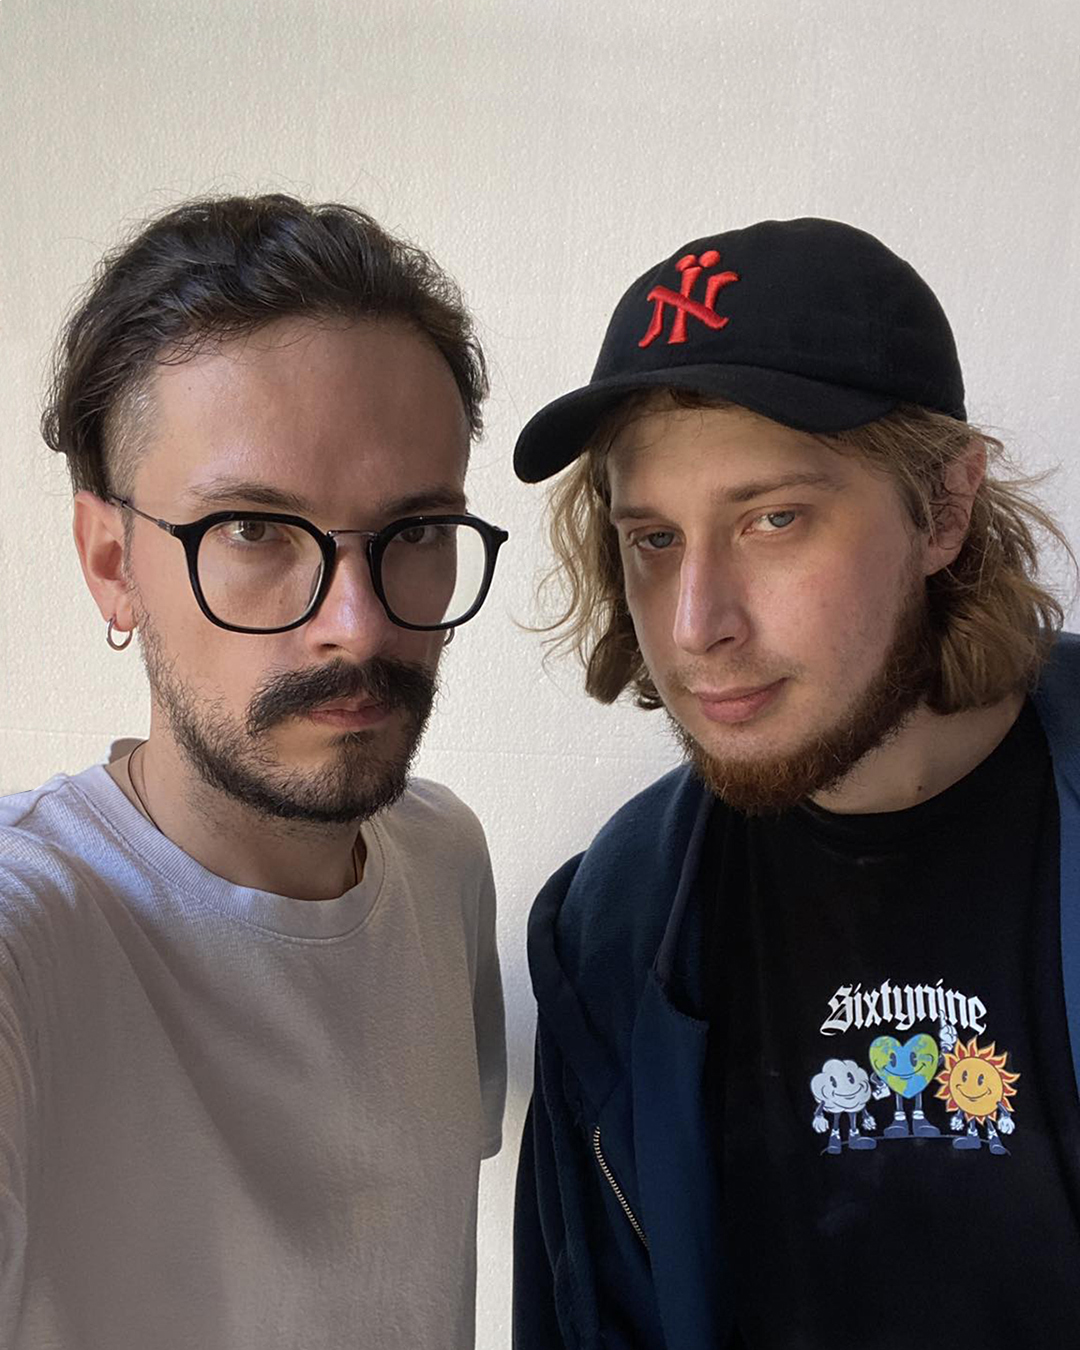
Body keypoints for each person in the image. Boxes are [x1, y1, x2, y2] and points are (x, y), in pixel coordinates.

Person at [511, 217, 1080, 1349]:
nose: (696, 625)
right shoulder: (613, 928)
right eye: (654, 539)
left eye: (773, 519)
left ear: (945, 509)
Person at [0, 194, 508, 1350]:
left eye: (416, 532)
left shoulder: (445, 861)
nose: (357, 626)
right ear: (111, 562)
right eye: (254, 530)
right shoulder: (34, 943)